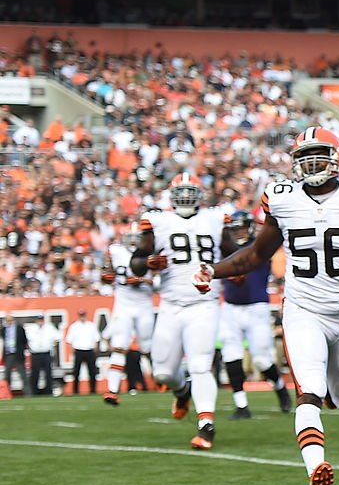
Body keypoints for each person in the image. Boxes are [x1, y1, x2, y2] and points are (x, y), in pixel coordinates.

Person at [191, 126, 339, 485]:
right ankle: (316, 469)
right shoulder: (281, 199)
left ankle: (335, 403)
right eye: (306, 155)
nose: (313, 162)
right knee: (309, 391)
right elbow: (255, 255)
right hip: (303, 311)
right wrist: (212, 271)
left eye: (320, 154)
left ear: (338, 157)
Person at [131, 172, 236, 449]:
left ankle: (206, 425)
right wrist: (149, 262)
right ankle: (182, 390)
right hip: (170, 303)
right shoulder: (158, 220)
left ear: (200, 196)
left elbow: (234, 252)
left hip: (204, 303)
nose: (187, 198)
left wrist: (236, 271)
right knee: (163, 373)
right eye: (182, 192)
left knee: (201, 363)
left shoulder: (215, 218)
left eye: (192, 192)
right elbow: (136, 263)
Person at [218, 209, 292, 419]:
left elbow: (248, 260)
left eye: (242, 228)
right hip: (231, 307)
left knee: (261, 360)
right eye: (235, 229)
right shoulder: (225, 248)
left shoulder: (260, 246)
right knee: (231, 355)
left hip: (256, 307)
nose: (239, 232)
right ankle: (241, 405)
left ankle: (279, 388)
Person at [101, 224, 155, 405]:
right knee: (119, 346)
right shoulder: (115, 251)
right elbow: (107, 273)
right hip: (123, 305)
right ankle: (112, 389)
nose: (132, 241)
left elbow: (160, 283)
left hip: (144, 305)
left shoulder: (151, 253)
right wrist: (106, 276)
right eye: (129, 237)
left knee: (147, 348)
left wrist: (140, 280)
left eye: (135, 237)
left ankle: (164, 382)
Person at [66, 309, 100, 395]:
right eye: (81, 315)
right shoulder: (74, 326)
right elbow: (69, 340)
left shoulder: (91, 325)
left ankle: (93, 390)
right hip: (78, 350)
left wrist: (95, 347)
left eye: (83, 315)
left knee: (92, 371)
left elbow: (96, 338)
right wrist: (72, 349)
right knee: (76, 372)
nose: (82, 317)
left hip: (89, 350)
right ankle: (75, 390)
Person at [26, 313, 60, 395]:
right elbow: (25, 339)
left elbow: (58, 337)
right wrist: (29, 347)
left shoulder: (49, 328)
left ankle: (48, 391)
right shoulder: (31, 328)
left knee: (48, 373)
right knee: (34, 374)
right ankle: (34, 392)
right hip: (35, 354)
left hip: (46, 353)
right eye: (39, 319)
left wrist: (52, 345)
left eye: (41, 319)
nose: (40, 321)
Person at [2, 313, 29, 395]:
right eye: (7, 320)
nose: (9, 322)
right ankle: (6, 393)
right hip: (8, 355)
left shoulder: (19, 328)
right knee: (7, 375)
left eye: (10, 320)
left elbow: (24, 341)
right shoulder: (3, 329)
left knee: (23, 375)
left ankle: (28, 393)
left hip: (18, 355)